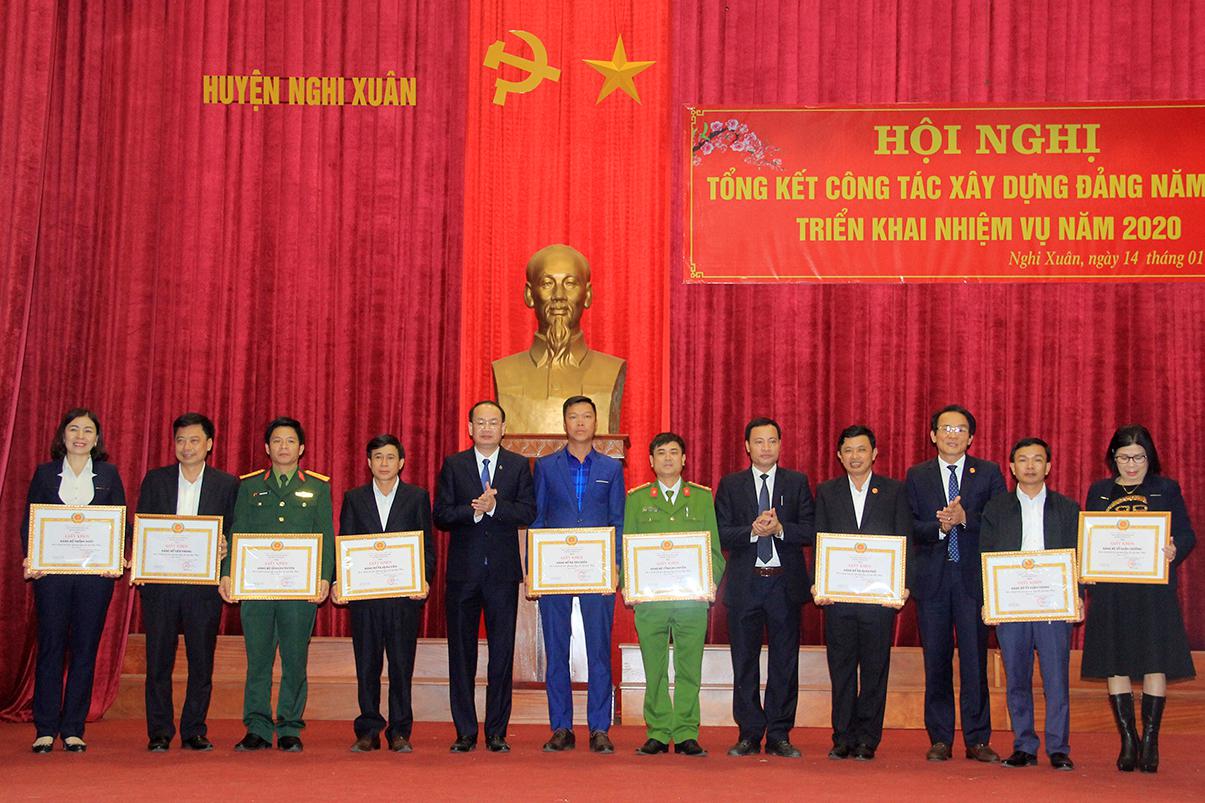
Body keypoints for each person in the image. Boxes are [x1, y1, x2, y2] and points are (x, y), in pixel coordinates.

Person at [1083, 424, 1196, 774]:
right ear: (1112, 458)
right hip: (1111, 591)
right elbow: (1087, 536)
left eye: (1138, 458)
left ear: (1150, 458)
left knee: (1154, 661)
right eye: (1124, 457)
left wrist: (1175, 549)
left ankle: (1150, 740)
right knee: (1114, 661)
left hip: (1152, 590)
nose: (1131, 465)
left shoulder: (1166, 488)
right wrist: (1086, 567)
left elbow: (1187, 534)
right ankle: (1128, 739)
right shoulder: (1099, 491)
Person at [219, 416, 334, 752]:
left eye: (290, 441)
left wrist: (324, 577)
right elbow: (237, 531)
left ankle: (289, 727)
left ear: (302, 448)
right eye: (277, 441)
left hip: (299, 590)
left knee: (295, 659)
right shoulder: (250, 486)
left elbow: (326, 536)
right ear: (267, 448)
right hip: (256, 588)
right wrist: (227, 571)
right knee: (258, 659)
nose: (284, 447)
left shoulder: (318, 487)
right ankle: (257, 726)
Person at [434, 400, 536, 753]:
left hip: (503, 575)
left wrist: (495, 508)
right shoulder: (454, 464)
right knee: (461, 654)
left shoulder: (518, 465)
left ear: (504, 428)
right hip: (463, 574)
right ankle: (465, 731)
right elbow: (441, 514)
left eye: (494, 422)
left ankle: (496, 731)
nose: (487, 428)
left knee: (502, 654)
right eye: (481, 422)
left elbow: (529, 511)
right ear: (470, 428)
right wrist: (473, 511)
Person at [905, 404, 1006, 762]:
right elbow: (908, 525)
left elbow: (1000, 521)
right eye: (946, 429)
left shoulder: (989, 472)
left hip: (971, 580)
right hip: (932, 580)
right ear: (933, 435)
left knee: (975, 662)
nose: (952, 435)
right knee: (936, 661)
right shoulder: (917, 475)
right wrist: (940, 527)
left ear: (971, 437)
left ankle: (977, 739)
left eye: (960, 429)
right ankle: (940, 738)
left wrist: (965, 519)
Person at [22, 408, 126, 753]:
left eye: (87, 431)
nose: (80, 436)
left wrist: (116, 557)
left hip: (94, 578)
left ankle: (72, 728)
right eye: (74, 429)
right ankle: (45, 728)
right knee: (51, 647)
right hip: (51, 575)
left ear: (97, 439)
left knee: (84, 649)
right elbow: (30, 521)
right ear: (62, 435)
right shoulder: (45, 474)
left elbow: (120, 520)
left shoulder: (109, 474)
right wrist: (31, 557)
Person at [135, 412, 239, 752]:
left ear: (209, 444)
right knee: (158, 660)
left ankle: (194, 729)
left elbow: (234, 530)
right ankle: (159, 731)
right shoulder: (156, 480)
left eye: (194, 440)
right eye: (180, 440)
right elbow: (141, 527)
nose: (187, 447)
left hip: (203, 588)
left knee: (201, 661)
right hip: (161, 586)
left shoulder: (226, 484)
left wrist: (225, 548)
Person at [530, 396, 625, 753]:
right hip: (555, 571)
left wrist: (616, 565)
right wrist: (534, 570)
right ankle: (561, 727)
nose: (580, 422)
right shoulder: (546, 466)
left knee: (599, 650)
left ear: (595, 422)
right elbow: (538, 519)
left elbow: (617, 519)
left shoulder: (611, 468)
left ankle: (599, 727)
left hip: (597, 571)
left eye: (587, 416)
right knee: (557, 650)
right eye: (574, 416)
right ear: (565, 423)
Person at [715, 417, 814, 759]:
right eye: (759, 441)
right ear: (747, 447)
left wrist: (781, 529)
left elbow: (811, 528)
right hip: (746, 584)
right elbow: (720, 532)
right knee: (744, 661)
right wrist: (753, 531)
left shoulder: (796, 482)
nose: (766, 447)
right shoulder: (731, 484)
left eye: (772, 441)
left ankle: (779, 733)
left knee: (785, 661)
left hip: (784, 584)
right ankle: (749, 732)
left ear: (780, 445)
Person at [980, 437, 1080, 771]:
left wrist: (1077, 595)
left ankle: (1058, 747)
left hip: (1054, 603)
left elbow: (1077, 555)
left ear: (1048, 467)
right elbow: (985, 556)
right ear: (1012, 467)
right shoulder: (996, 508)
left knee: (1056, 679)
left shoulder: (1067, 508)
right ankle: (1024, 745)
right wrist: (989, 600)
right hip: (1011, 604)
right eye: (1023, 460)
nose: (1030, 466)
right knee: (1017, 678)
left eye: (1038, 460)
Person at [812, 425, 912, 761]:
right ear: (839, 456)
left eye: (862, 449)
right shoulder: (827, 492)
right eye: (848, 451)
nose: (855, 456)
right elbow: (819, 539)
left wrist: (902, 583)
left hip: (878, 598)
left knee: (874, 670)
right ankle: (842, 737)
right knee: (841, 670)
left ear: (874, 453)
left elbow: (904, 538)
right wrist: (818, 583)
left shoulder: (894, 491)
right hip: (838, 598)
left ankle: (868, 738)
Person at [624, 432, 726, 757]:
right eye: (661, 453)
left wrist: (710, 583)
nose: (667, 458)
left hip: (691, 602)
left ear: (683, 459)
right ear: (651, 461)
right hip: (650, 602)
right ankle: (657, 731)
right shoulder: (637, 499)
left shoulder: (702, 498)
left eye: (673, 452)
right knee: (654, 668)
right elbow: (628, 547)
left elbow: (714, 551)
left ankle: (685, 731)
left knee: (688, 667)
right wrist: (629, 583)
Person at [332, 434, 436, 753]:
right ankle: (368, 729)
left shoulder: (416, 497)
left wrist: (424, 579)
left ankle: (400, 731)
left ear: (401, 462)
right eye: (378, 457)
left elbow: (426, 547)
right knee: (367, 665)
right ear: (369, 463)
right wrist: (340, 582)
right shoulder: (354, 498)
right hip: (365, 600)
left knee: (401, 666)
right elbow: (345, 544)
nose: (384, 463)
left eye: (390, 457)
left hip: (404, 599)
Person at [491, 244, 626, 434]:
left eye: (570, 284)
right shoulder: (505, 371)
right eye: (547, 283)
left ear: (587, 294)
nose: (559, 296)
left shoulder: (610, 370)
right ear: (529, 294)